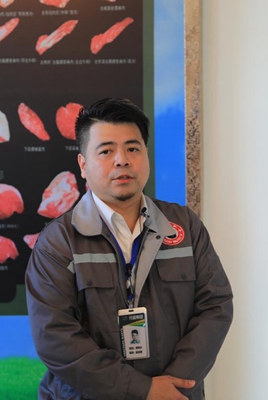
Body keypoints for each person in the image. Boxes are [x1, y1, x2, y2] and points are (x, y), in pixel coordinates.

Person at [25, 98, 234, 400]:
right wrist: (142, 390)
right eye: (106, 151)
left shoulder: (184, 227)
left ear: (146, 155)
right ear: (83, 164)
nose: (122, 160)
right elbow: (54, 337)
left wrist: (171, 388)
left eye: (133, 149)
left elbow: (215, 307)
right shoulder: (58, 242)